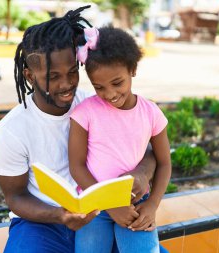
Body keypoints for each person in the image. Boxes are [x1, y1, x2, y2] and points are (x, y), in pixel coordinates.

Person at [0, 6, 161, 253]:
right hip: (43, 221)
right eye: (53, 76)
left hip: (105, 212)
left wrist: (142, 173)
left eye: (72, 72)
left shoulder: (96, 105)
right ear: (29, 75)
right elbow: (15, 198)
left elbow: (146, 151)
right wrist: (60, 215)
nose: (66, 84)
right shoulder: (11, 130)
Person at [69, 26, 172, 253]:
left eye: (117, 83)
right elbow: (76, 166)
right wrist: (108, 203)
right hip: (93, 206)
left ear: (132, 70)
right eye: (99, 87)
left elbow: (164, 163)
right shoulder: (84, 113)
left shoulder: (151, 113)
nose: (109, 94)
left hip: (135, 205)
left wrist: (152, 204)